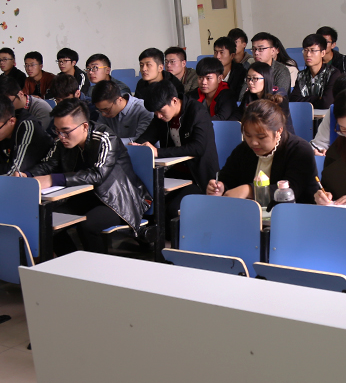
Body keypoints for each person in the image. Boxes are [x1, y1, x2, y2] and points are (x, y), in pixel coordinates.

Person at [25, 99, 151, 254]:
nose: (61, 136)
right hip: (86, 198)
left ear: (84, 126)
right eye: (57, 131)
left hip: (117, 200)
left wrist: (52, 179)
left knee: (88, 225)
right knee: (47, 221)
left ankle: (97, 268)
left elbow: (98, 175)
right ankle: (72, 262)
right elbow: (49, 164)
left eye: (65, 131)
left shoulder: (106, 138)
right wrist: (27, 175)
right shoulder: (62, 142)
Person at [210, 95, 319, 208]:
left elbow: (291, 190)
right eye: (248, 135)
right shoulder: (244, 149)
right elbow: (227, 177)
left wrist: (249, 190)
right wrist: (220, 187)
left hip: (294, 213)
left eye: (261, 137)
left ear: (279, 131)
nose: (253, 142)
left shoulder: (299, 150)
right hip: (251, 214)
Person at [135, 80, 219, 218]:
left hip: (199, 177)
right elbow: (147, 137)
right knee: (149, 204)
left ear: (174, 101)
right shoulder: (161, 117)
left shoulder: (197, 111)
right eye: (155, 112)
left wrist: (158, 152)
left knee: (171, 210)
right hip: (175, 174)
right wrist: (136, 146)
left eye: (161, 111)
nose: (158, 116)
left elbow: (198, 148)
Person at [290, 34, 343, 109]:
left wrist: (305, 101)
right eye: (305, 50)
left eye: (313, 50)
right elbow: (293, 100)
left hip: (327, 115)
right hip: (305, 114)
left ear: (323, 53)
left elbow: (326, 103)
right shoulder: (302, 75)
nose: (308, 54)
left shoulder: (333, 73)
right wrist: (316, 98)